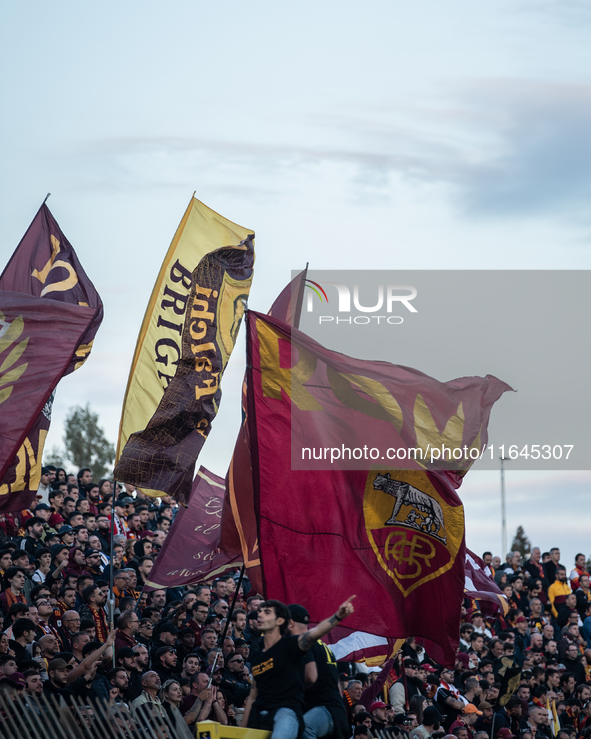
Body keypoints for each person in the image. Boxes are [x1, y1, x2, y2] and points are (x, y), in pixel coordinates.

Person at [242, 595, 355, 739]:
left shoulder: (293, 646)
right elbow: (252, 697)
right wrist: (241, 732)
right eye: (259, 612)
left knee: (305, 729)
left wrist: (338, 616)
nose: (260, 614)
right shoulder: (258, 655)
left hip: (305, 709)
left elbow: (311, 675)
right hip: (263, 715)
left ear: (284, 621)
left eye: (267, 612)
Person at [287, 603, 349, 739]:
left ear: (290, 622)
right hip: (334, 710)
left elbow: (310, 677)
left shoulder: (303, 643)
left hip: (323, 709)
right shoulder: (322, 645)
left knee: (305, 728)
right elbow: (337, 682)